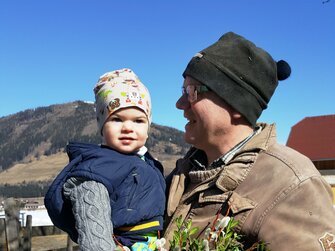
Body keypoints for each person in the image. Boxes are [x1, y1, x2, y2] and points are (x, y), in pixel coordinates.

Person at [163, 32, 335, 251]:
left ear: (236, 102)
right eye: (183, 90)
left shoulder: (294, 184)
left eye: (192, 91)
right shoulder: (183, 172)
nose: (180, 103)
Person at [45, 68, 166, 251]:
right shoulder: (97, 169)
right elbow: (94, 232)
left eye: (138, 121)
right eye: (117, 119)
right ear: (102, 125)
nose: (128, 127)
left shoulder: (148, 163)